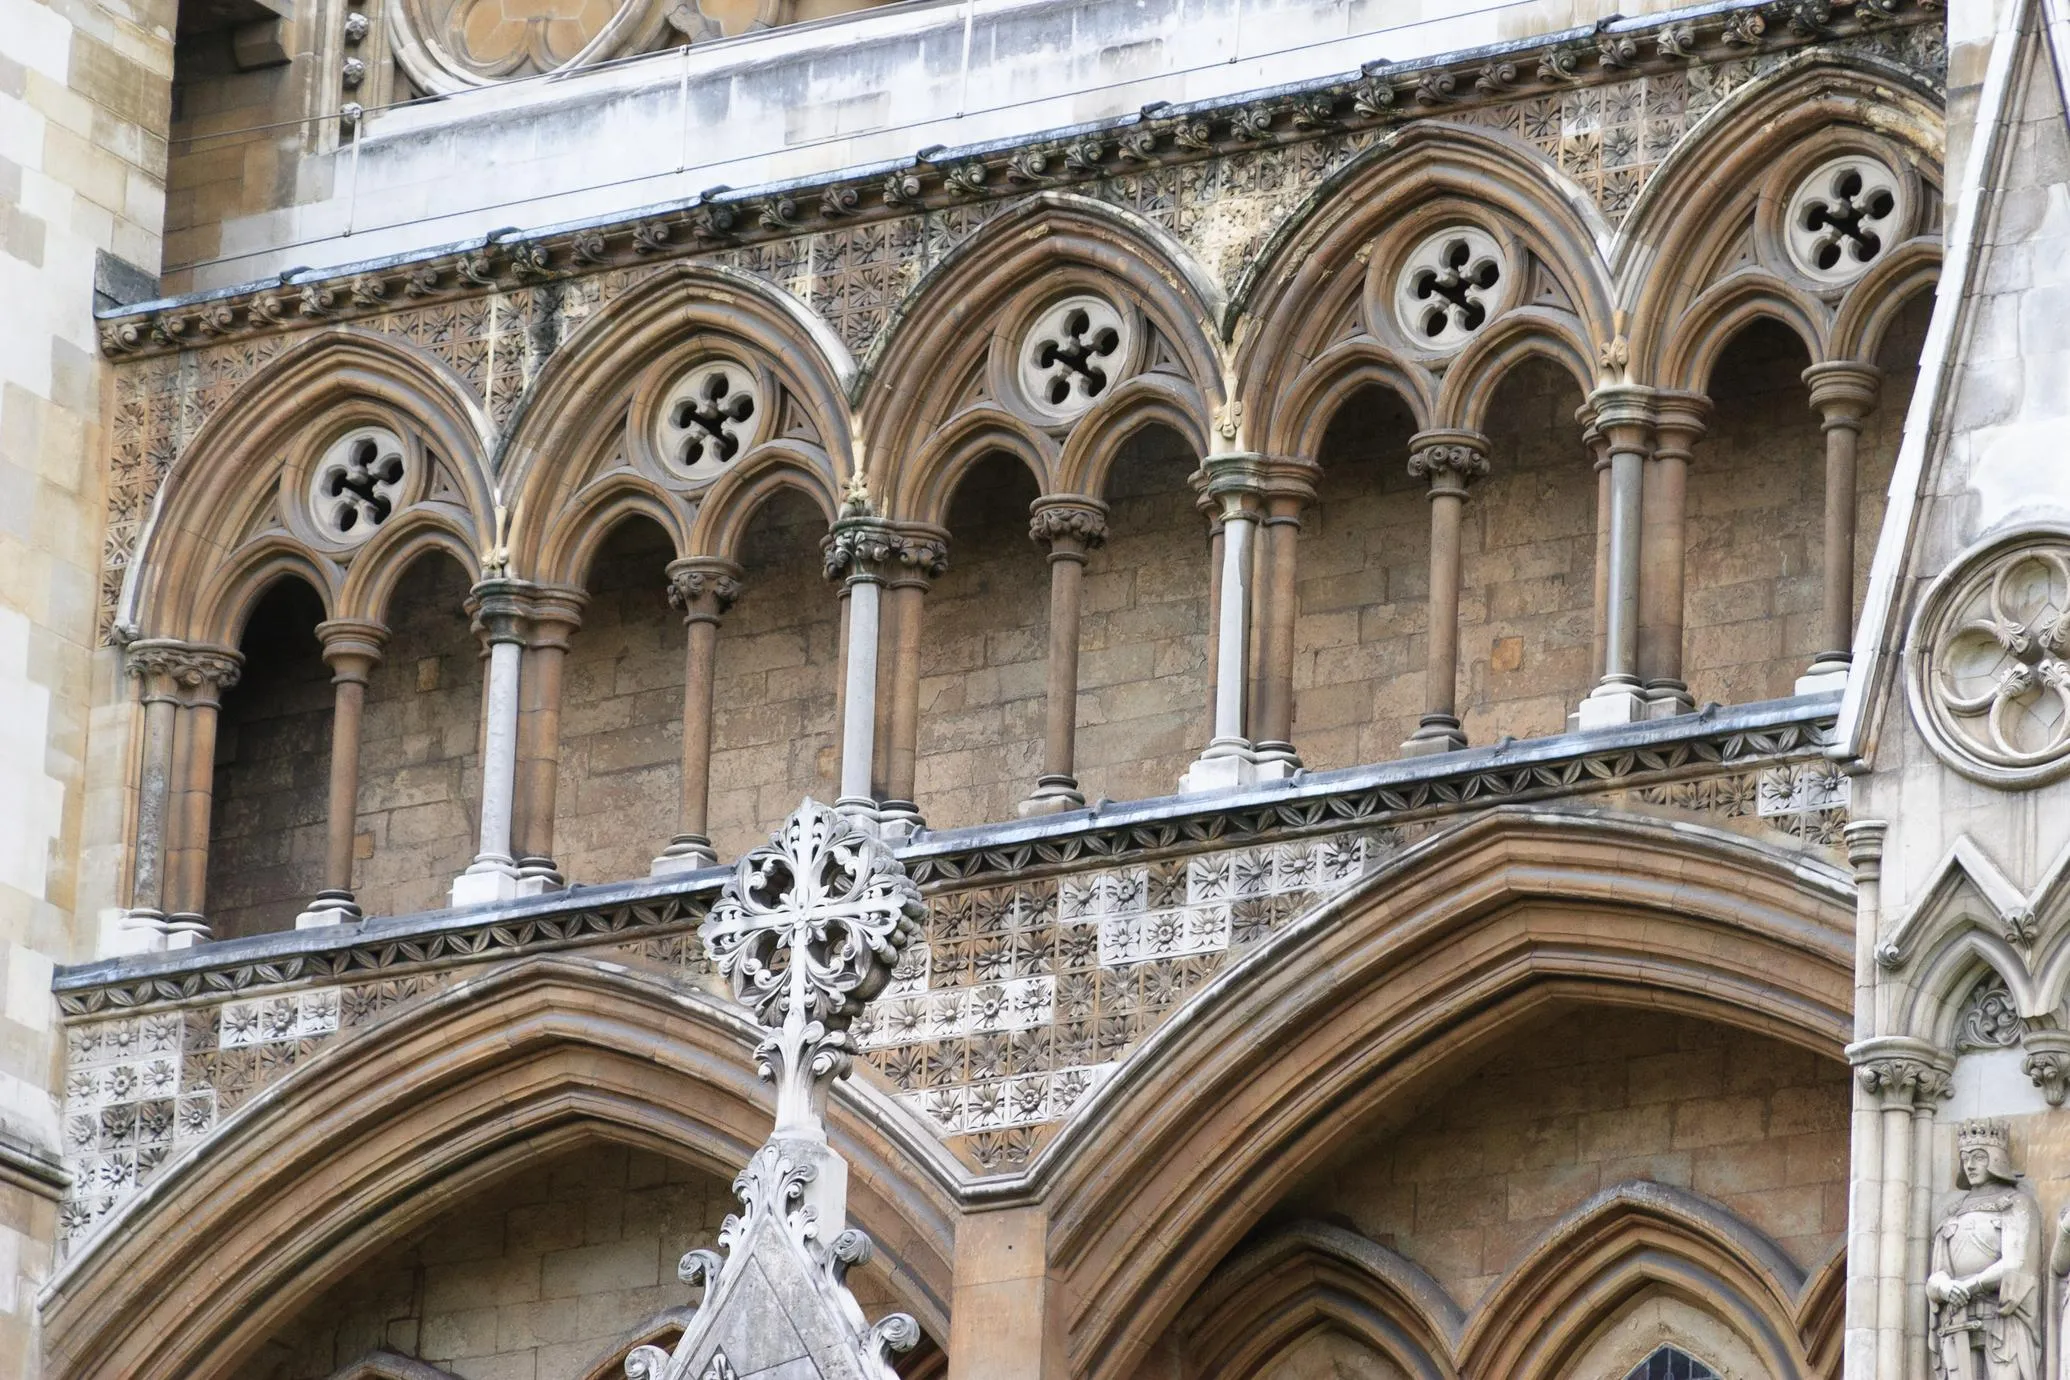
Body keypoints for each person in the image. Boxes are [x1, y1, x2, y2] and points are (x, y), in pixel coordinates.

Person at [1930, 1119, 2042, 1380]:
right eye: (1965, 1158)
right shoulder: (1953, 1213)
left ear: (1996, 1159)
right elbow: (1936, 1274)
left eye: (1979, 1157)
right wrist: (1946, 1288)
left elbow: (2016, 1265)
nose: (1969, 1165)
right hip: (1956, 1321)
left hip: (2001, 1320)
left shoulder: (2016, 1203)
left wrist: (1968, 1287)